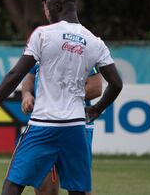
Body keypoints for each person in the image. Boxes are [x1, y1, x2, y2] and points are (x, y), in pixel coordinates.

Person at [0, 0, 122, 195]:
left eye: (46, 5)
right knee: (78, 190)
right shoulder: (95, 42)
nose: (45, 10)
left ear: (57, 6)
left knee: (13, 183)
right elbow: (117, 83)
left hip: (44, 125)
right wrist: (97, 109)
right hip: (76, 128)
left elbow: (15, 74)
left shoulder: (43, 34)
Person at [21, 64, 102, 195]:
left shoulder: (80, 49)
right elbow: (29, 78)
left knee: (78, 186)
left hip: (75, 125)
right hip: (44, 123)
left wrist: (58, 100)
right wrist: (26, 95)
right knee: (44, 186)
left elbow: (96, 87)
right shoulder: (39, 50)